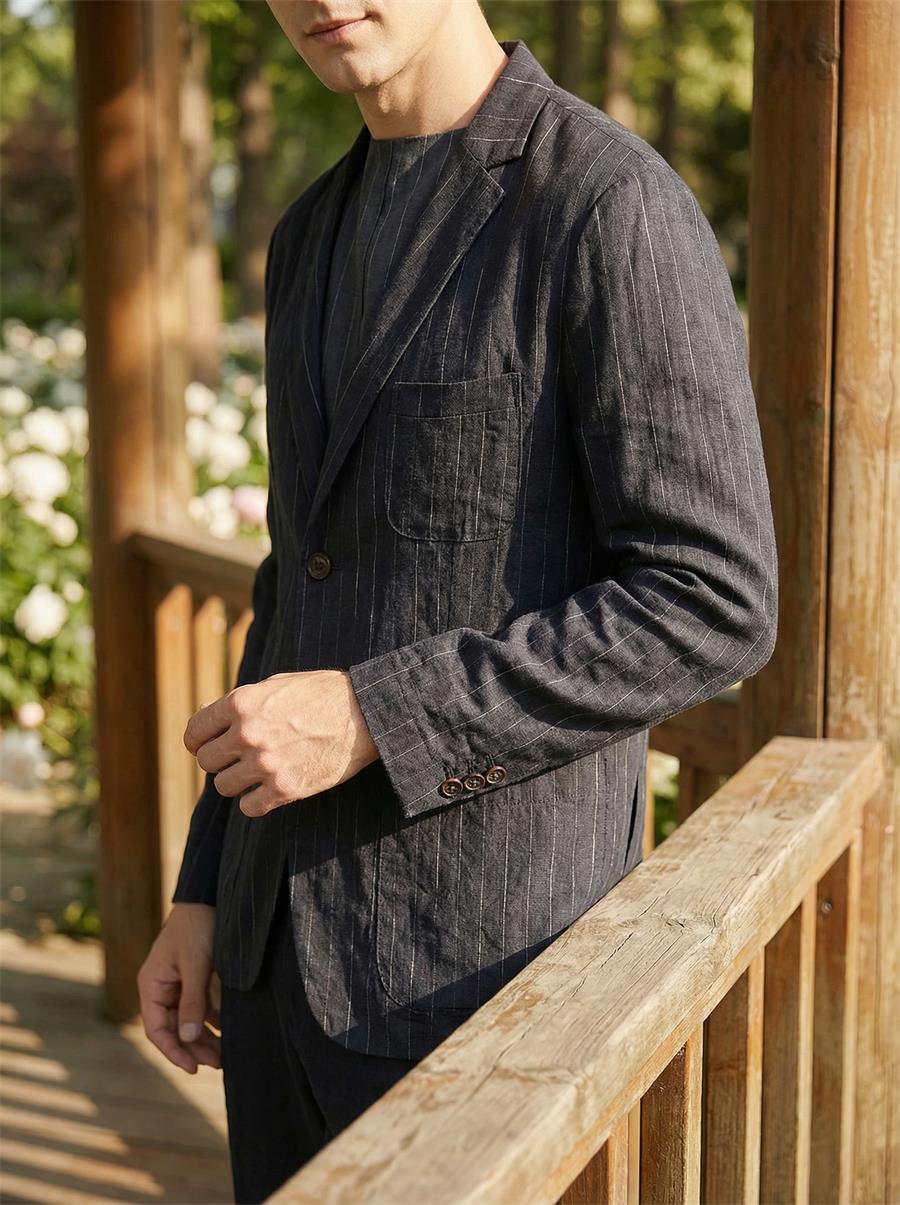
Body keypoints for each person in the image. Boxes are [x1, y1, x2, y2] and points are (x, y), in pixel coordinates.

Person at [138, 3, 779, 1201]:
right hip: (272, 975)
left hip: (483, 973)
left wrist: (377, 716)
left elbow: (714, 599)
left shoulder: (606, 203)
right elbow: (294, 579)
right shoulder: (307, 231)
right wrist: (205, 887)